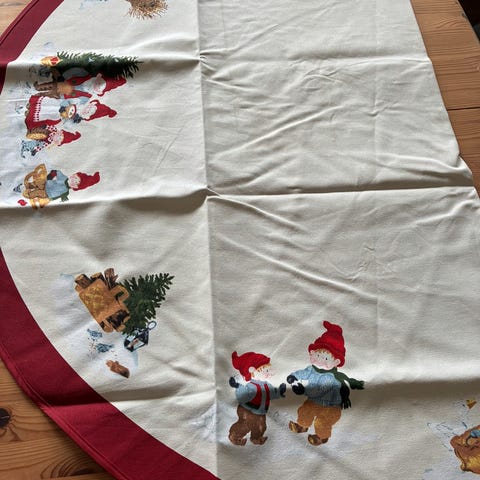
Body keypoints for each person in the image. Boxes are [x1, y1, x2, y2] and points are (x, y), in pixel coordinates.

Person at [287, 321, 364, 446]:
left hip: (331, 408)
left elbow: (317, 391)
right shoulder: (312, 369)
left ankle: (321, 437)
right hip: (314, 402)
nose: (320, 360)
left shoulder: (330, 378)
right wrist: (293, 377)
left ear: (336, 361)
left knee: (321, 422)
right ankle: (302, 426)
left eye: (326, 358)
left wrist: (301, 389)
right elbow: (302, 373)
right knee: (305, 410)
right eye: (318, 355)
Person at [228, 351, 286, 446]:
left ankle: (256, 438)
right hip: (247, 410)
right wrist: (237, 386)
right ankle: (235, 436)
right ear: (252, 371)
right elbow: (243, 395)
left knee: (261, 426)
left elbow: (272, 394)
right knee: (245, 425)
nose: (269, 373)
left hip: (260, 411)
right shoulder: (252, 386)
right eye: (266, 371)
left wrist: (280, 391)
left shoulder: (267, 385)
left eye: (269, 369)